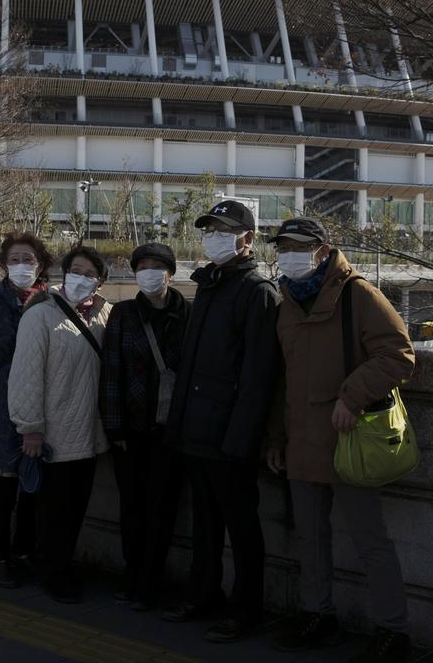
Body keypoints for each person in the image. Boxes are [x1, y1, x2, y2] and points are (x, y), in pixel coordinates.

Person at [266, 217, 415, 663]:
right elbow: (282, 377)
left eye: (299, 245)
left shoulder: (358, 293)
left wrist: (351, 396)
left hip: (351, 438)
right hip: (301, 441)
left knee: (371, 540)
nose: (289, 253)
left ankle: (394, 629)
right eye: (283, 246)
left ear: (322, 248)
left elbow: (399, 354)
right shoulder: (287, 301)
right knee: (310, 538)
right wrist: (275, 437)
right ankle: (318, 614)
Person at [163, 199, 281, 643]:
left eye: (223, 229)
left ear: (247, 239)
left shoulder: (257, 293)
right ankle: (202, 595)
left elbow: (258, 377)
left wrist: (240, 440)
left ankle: (246, 609)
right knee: (205, 524)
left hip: (228, 438)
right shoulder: (208, 285)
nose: (213, 236)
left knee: (241, 527)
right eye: (209, 228)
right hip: (196, 430)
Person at [8, 245, 113, 603]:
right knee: (54, 512)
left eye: (89, 274)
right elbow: (24, 376)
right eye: (75, 270)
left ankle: (60, 564)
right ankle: (54, 573)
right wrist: (30, 428)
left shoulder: (104, 317)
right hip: (52, 436)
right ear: (63, 274)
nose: (80, 278)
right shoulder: (40, 316)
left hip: (89, 434)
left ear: (99, 282)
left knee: (75, 510)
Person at [99, 243, 189, 611]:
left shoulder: (190, 315)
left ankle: (153, 579)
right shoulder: (124, 314)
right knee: (132, 506)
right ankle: (133, 573)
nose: (149, 273)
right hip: (132, 431)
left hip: (172, 432)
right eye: (143, 267)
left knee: (163, 508)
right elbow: (111, 372)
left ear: (170, 272)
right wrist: (115, 427)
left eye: (157, 266)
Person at [0, 232, 52, 589]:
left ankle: (24, 552)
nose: (21, 266)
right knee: (3, 488)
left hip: (43, 408)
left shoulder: (50, 304)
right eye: (14, 259)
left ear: (41, 265)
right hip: (1, 408)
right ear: (3, 264)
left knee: (33, 489)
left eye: (28, 260)